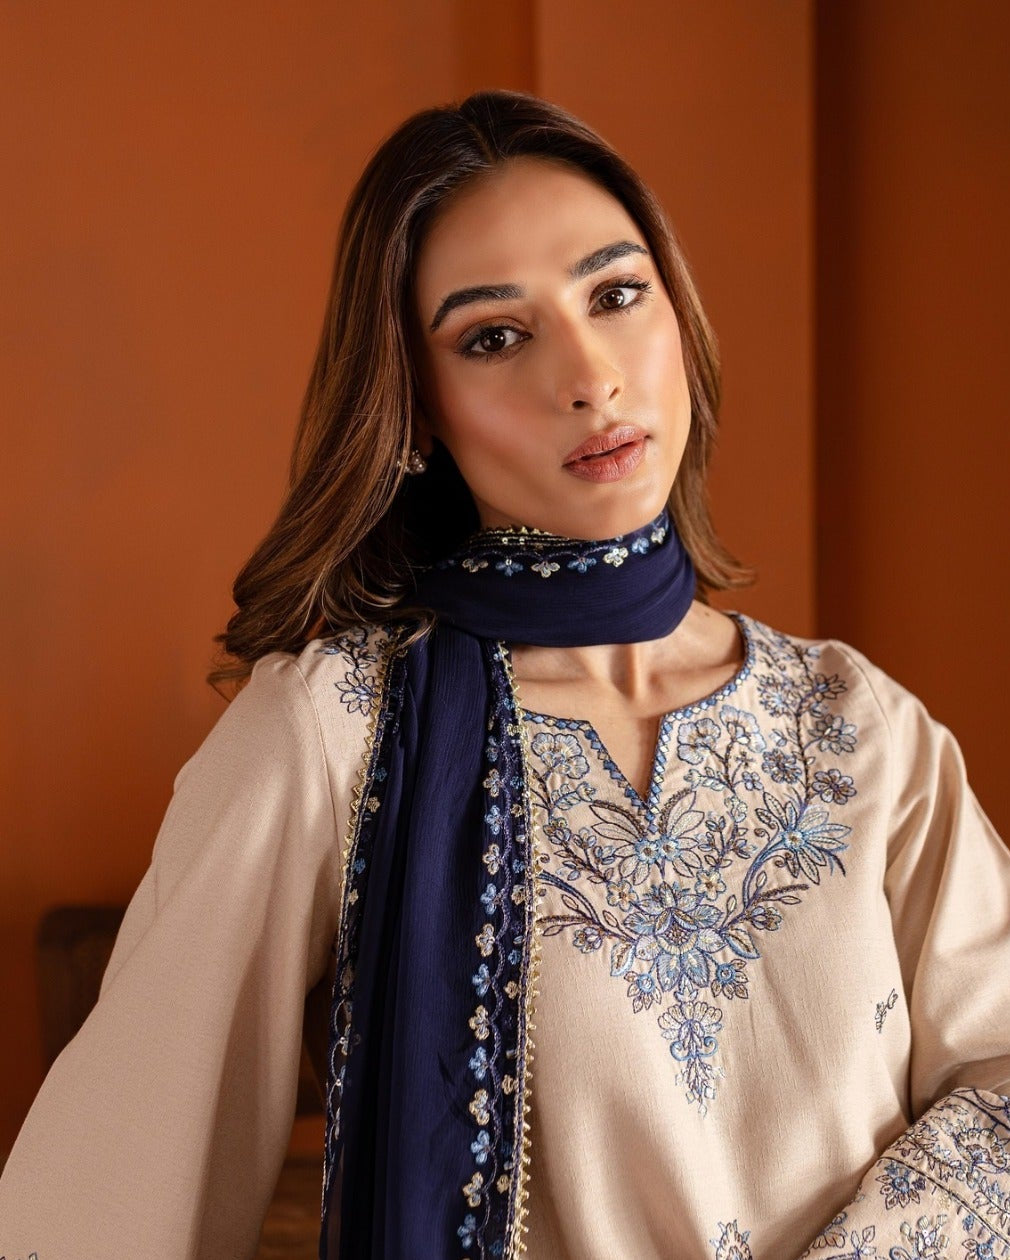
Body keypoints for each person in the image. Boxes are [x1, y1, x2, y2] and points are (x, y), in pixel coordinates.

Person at [1, 88, 1008, 1260]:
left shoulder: (854, 727)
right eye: (494, 335)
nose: (587, 375)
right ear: (418, 410)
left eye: (615, 294)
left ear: (675, 315)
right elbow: (108, 1189)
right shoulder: (334, 731)